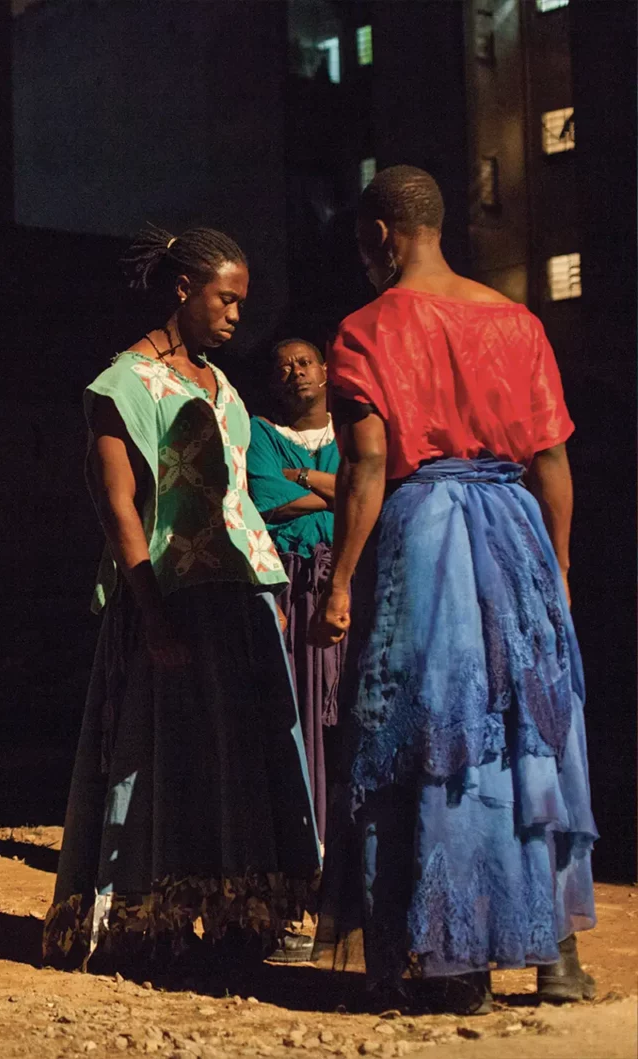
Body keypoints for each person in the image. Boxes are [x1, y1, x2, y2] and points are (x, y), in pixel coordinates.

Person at [311, 166, 597, 1014]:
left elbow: (365, 467)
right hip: (515, 531)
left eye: (367, 244)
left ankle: (450, 956)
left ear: (383, 236)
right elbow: (553, 461)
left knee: (429, 736)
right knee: (526, 728)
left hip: (426, 533)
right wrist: (563, 568)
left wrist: (342, 581)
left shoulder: (365, 329)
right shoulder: (517, 322)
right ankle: (556, 956)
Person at [45, 227, 321, 974]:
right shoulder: (123, 384)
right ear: (183, 289)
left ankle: (240, 921)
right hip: (172, 594)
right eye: (226, 298)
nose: (236, 315)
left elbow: (239, 498)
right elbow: (118, 505)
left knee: (244, 760)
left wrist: (271, 587)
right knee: (167, 761)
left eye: (242, 302)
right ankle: (156, 923)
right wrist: (151, 610)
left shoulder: (222, 385)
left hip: (240, 597)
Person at [246, 339, 344, 848]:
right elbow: (264, 498)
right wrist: (338, 489)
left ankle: (342, 843)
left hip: (345, 584)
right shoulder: (260, 433)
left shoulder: (351, 431)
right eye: (283, 366)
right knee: (295, 709)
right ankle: (303, 843)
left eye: (304, 362)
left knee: (342, 711)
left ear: (325, 371)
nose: (295, 373)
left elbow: (374, 494)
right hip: (290, 586)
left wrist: (301, 477)